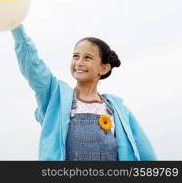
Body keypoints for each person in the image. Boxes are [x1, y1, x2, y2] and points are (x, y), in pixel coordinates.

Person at [11, 24, 157, 161]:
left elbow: (143, 151)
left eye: (87, 57)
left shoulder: (117, 110)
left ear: (104, 68)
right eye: (76, 56)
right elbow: (33, 67)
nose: (79, 62)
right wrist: (16, 27)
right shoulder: (55, 98)